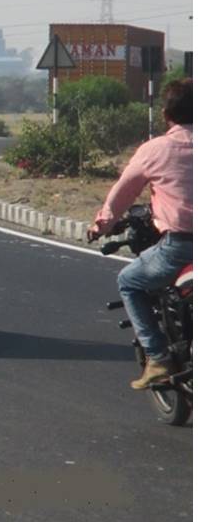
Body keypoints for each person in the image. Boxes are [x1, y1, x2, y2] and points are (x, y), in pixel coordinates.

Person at [88, 77, 192, 390]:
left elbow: (122, 195)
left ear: (166, 115)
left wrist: (101, 225)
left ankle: (158, 357)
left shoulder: (155, 150)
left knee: (129, 282)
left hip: (181, 246)